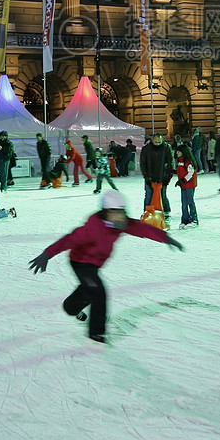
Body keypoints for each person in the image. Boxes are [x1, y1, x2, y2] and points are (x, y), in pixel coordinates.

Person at [28, 191, 184, 343]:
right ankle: (96, 334)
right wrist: (47, 254)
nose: (118, 215)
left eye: (121, 211)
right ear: (105, 212)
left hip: (95, 264)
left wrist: (165, 238)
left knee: (89, 289)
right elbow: (69, 240)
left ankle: (70, 308)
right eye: (113, 212)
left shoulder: (120, 224)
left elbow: (142, 229)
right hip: (80, 262)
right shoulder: (92, 227)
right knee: (98, 292)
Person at [139, 131, 174, 217]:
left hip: (162, 175)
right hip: (150, 175)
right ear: (152, 140)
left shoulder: (166, 148)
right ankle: (146, 213)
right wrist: (146, 176)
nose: (157, 144)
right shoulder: (146, 149)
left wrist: (168, 176)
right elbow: (143, 163)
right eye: (156, 142)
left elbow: (170, 163)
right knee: (149, 195)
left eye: (159, 142)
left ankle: (166, 212)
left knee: (163, 195)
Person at [174, 146, 198, 228]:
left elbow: (191, 173)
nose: (177, 153)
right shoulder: (179, 161)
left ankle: (193, 219)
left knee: (190, 202)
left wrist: (182, 181)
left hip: (189, 185)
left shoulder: (188, 161)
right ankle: (185, 220)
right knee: (184, 203)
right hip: (183, 185)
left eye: (178, 152)